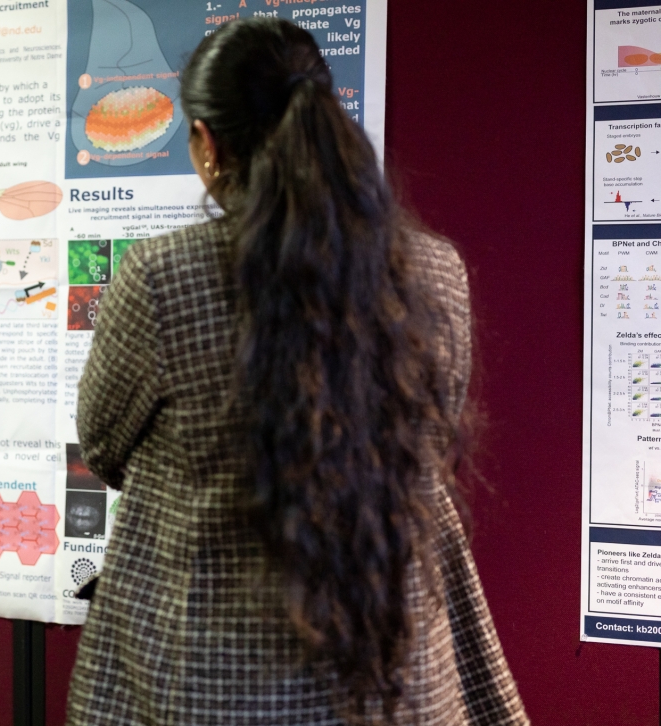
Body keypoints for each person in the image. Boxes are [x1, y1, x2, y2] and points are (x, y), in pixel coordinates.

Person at [66, 18, 528, 726]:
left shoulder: (161, 277)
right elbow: (428, 434)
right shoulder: (433, 271)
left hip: (209, 673)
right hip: (389, 659)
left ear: (207, 142)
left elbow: (103, 445)